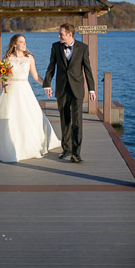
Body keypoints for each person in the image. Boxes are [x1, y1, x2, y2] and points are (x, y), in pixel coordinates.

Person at [0, 34, 60, 162]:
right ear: (14, 44)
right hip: (10, 91)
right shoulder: (7, 59)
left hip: (24, 90)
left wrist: (46, 85)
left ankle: (30, 144)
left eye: (25, 42)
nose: (24, 44)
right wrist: (3, 82)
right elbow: (3, 76)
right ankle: (3, 145)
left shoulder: (29, 58)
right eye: (21, 42)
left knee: (28, 116)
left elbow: (35, 76)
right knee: (10, 116)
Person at [43, 23, 96, 164]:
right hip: (62, 89)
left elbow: (87, 69)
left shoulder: (83, 48)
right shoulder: (55, 47)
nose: (58, 35)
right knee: (65, 120)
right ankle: (66, 148)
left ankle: (76, 153)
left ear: (70, 34)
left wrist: (92, 89)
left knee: (77, 121)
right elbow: (51, 67)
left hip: (77, 89)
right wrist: (47, 84)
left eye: (61, 34)